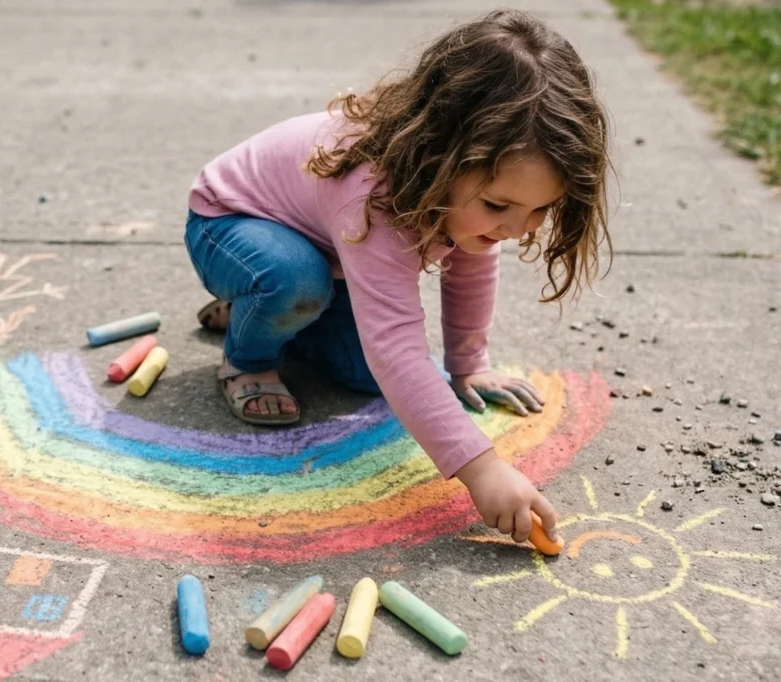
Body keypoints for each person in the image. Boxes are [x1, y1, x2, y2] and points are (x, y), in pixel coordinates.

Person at [183, 9, 611, 543]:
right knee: (296, 285)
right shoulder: (374, 194)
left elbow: (470, 270)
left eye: (539, 210)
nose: (518, 228)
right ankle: (249, 353)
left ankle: (265, 313)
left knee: (367, 376)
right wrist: (482, 469)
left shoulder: (465, 194)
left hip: (330, 259)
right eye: (500, 205)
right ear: (439, 155)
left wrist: (468, 366)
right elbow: (397, 347)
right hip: (230, 226)